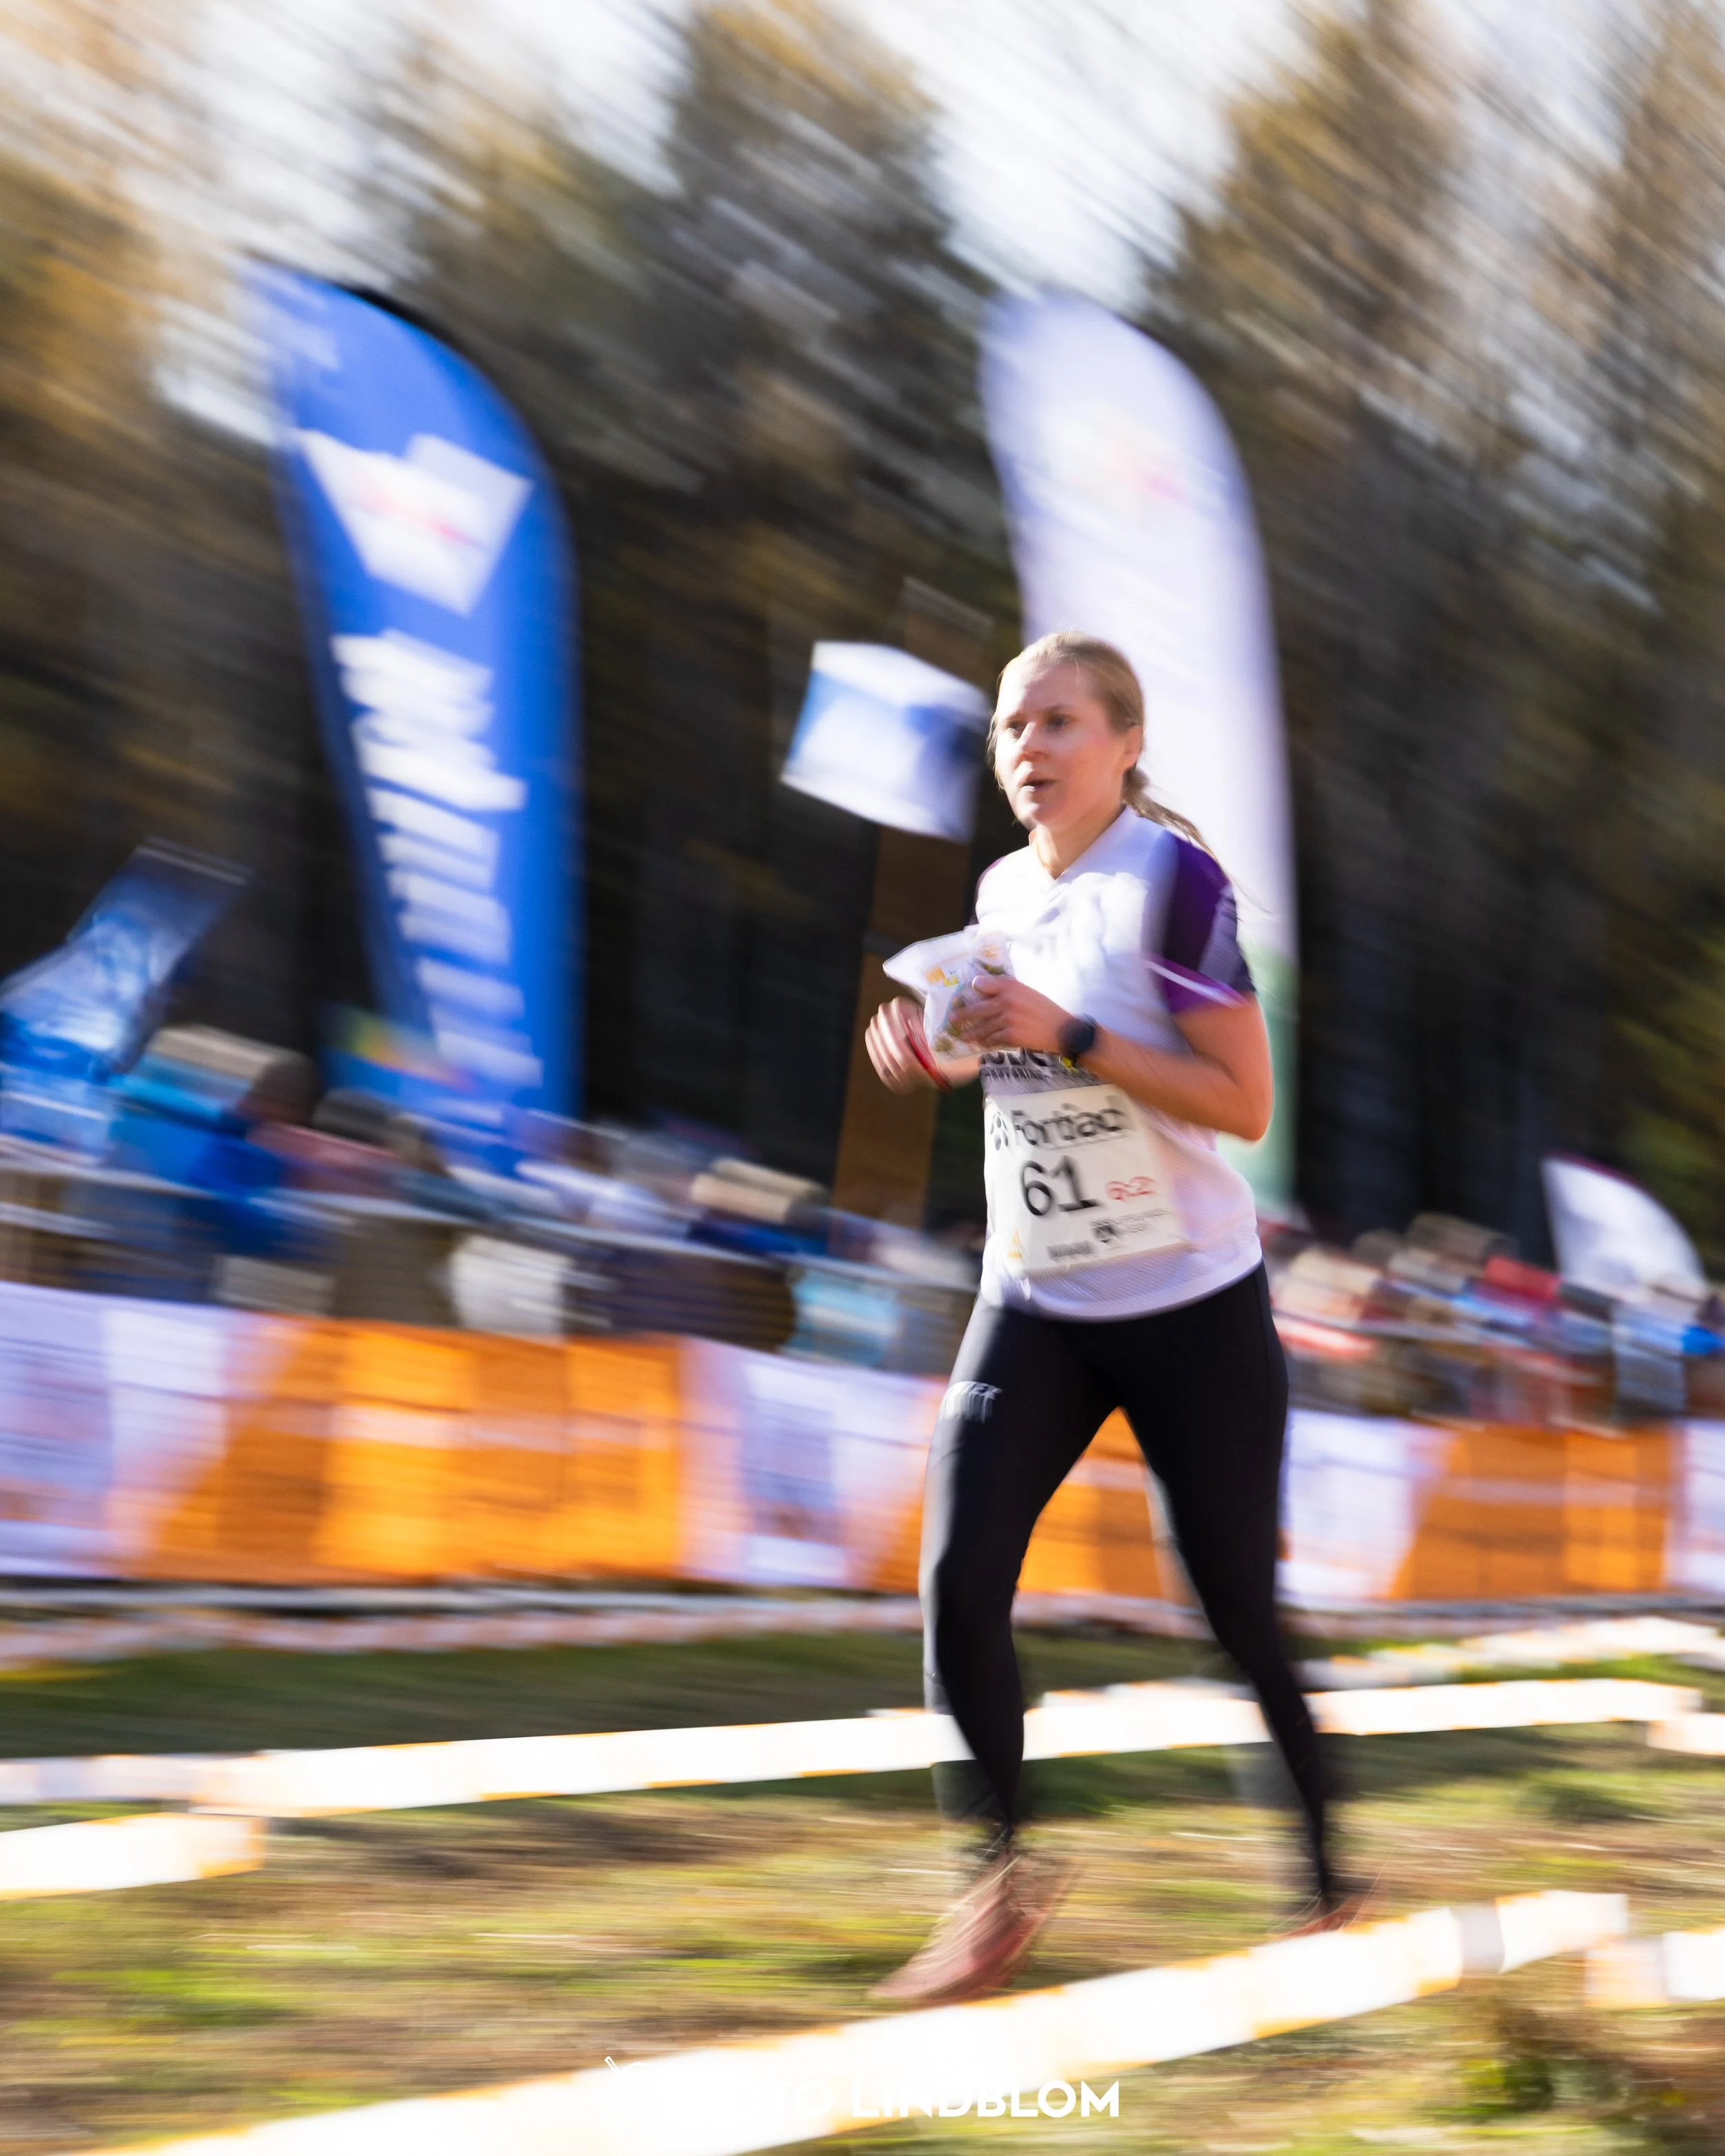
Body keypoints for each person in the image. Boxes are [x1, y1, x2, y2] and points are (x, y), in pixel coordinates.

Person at [865, 629, 1349, 2006]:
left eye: (1059, 721)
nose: (1027, 747)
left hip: (1188, 1300)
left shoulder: (1174, 882)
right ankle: (993, 1885)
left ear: (1123, 743)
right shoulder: (999, 886)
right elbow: (989, 1045)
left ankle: (1326, 1881)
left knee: (1232, 1608)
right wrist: (928, 1050)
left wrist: (1069, 1030)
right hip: (1037, 1291)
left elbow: (1240, 1106)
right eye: (1012, 726)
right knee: (958, 1570)